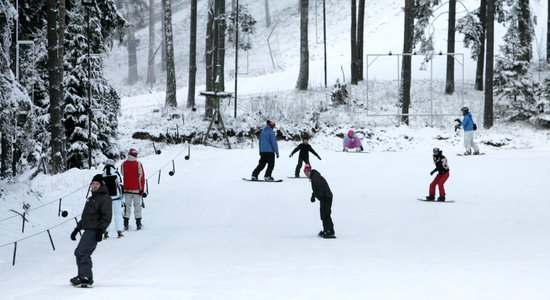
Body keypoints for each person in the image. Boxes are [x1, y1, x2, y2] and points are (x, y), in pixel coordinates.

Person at [69, 174, 112, 288]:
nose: (94, 186)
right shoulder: (91, 198)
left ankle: (86, 278)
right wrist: (77, 229)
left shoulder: (105, 198)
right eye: (93, 184)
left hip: (94, 230)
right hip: (88, 229)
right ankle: (82, 275)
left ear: (101, 185)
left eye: (97, 184)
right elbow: (86, 217)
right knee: (79, 251)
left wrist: (101, 230)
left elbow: (107, 216)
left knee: (83, 252)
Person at [303, 164, 335, 238]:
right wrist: (313, 196)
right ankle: (327, 230)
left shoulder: (315, 177)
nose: (307, 174)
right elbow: (316, 188)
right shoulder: (314, 176)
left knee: (325, 215)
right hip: (325, 197)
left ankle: (330, 231)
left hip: (326, 197)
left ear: (310, 171)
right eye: (305, 173)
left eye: (307, 172)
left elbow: (320, 188)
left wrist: (320, 197)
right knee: (324, 215)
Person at [121, 148, 146, 230]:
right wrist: (142, 189)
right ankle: (138, 224)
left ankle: (126, 223)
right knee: (137, 206)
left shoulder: (124, 164)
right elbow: (141, 177)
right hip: (136, 189)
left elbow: (122, 173)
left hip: (127, 189)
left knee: (127, 206)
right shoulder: (138, 164)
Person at [102, 159, 124, 239]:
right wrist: (122, 197)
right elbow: (120, 185)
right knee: (117, 214)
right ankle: (119, 231)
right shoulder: (116, 173)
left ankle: (106, 232)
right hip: (116, 197)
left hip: (106, 198)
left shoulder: (103, 174)